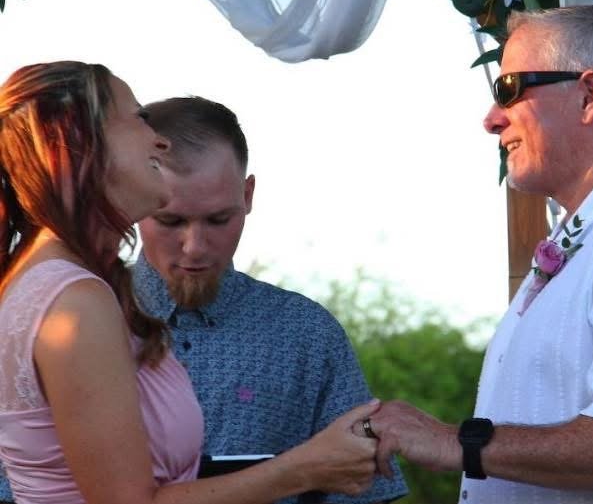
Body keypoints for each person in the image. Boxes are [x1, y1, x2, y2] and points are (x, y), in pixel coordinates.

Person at [0, 61, 380, 504]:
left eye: (217, 219)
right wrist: (302, 469)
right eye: (138, 118)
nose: (159, 140)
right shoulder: (76, 302)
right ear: (84, 148)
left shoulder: (51, 281)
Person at [361, 5, 593, 503]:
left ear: (588, 95)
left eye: (509, 89)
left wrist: (452, 442)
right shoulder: (586, 233)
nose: (492, 120)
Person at [133, 96, 407, 504]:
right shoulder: (80, 323)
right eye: (170, 220)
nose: (195, 246)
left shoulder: (307, 334)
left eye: (219, 219)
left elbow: (366, 493)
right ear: (132, 198)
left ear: (248, 194)